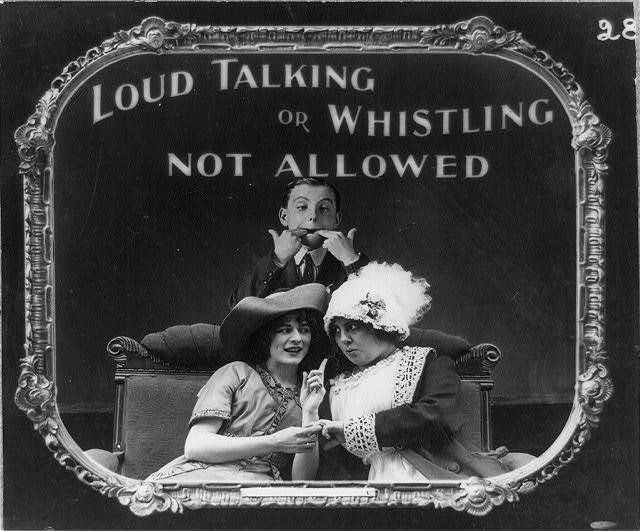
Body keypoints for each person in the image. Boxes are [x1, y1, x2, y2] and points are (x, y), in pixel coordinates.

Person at [318, 262, 528, 481]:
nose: (344, 339)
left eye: (353, 327)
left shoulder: (426, 362)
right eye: (336, 331)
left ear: (379, 324)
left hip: (428, 473)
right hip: (372, 482)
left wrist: (358, 430)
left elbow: (435, 417)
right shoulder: (342, 385)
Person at [146, 284, 330, 482]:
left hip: (259, 488)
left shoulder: (309, 394)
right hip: (205, 476)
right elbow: (195, 446)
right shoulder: (236, 373)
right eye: (285, 330)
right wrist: (274, 442)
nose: (297, 339)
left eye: (304, 330)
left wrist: (310, 412)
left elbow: (302, 482)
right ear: (266, 337)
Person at [228, 178, 369, 308]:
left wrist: (351, 260)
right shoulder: (266, 262)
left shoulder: (350, 261)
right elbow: (236, 308)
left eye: (324, 208)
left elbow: (379, 311)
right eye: (302, 207)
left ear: (336, 219)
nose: (313, 216)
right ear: (284, 217)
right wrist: (277, 259)